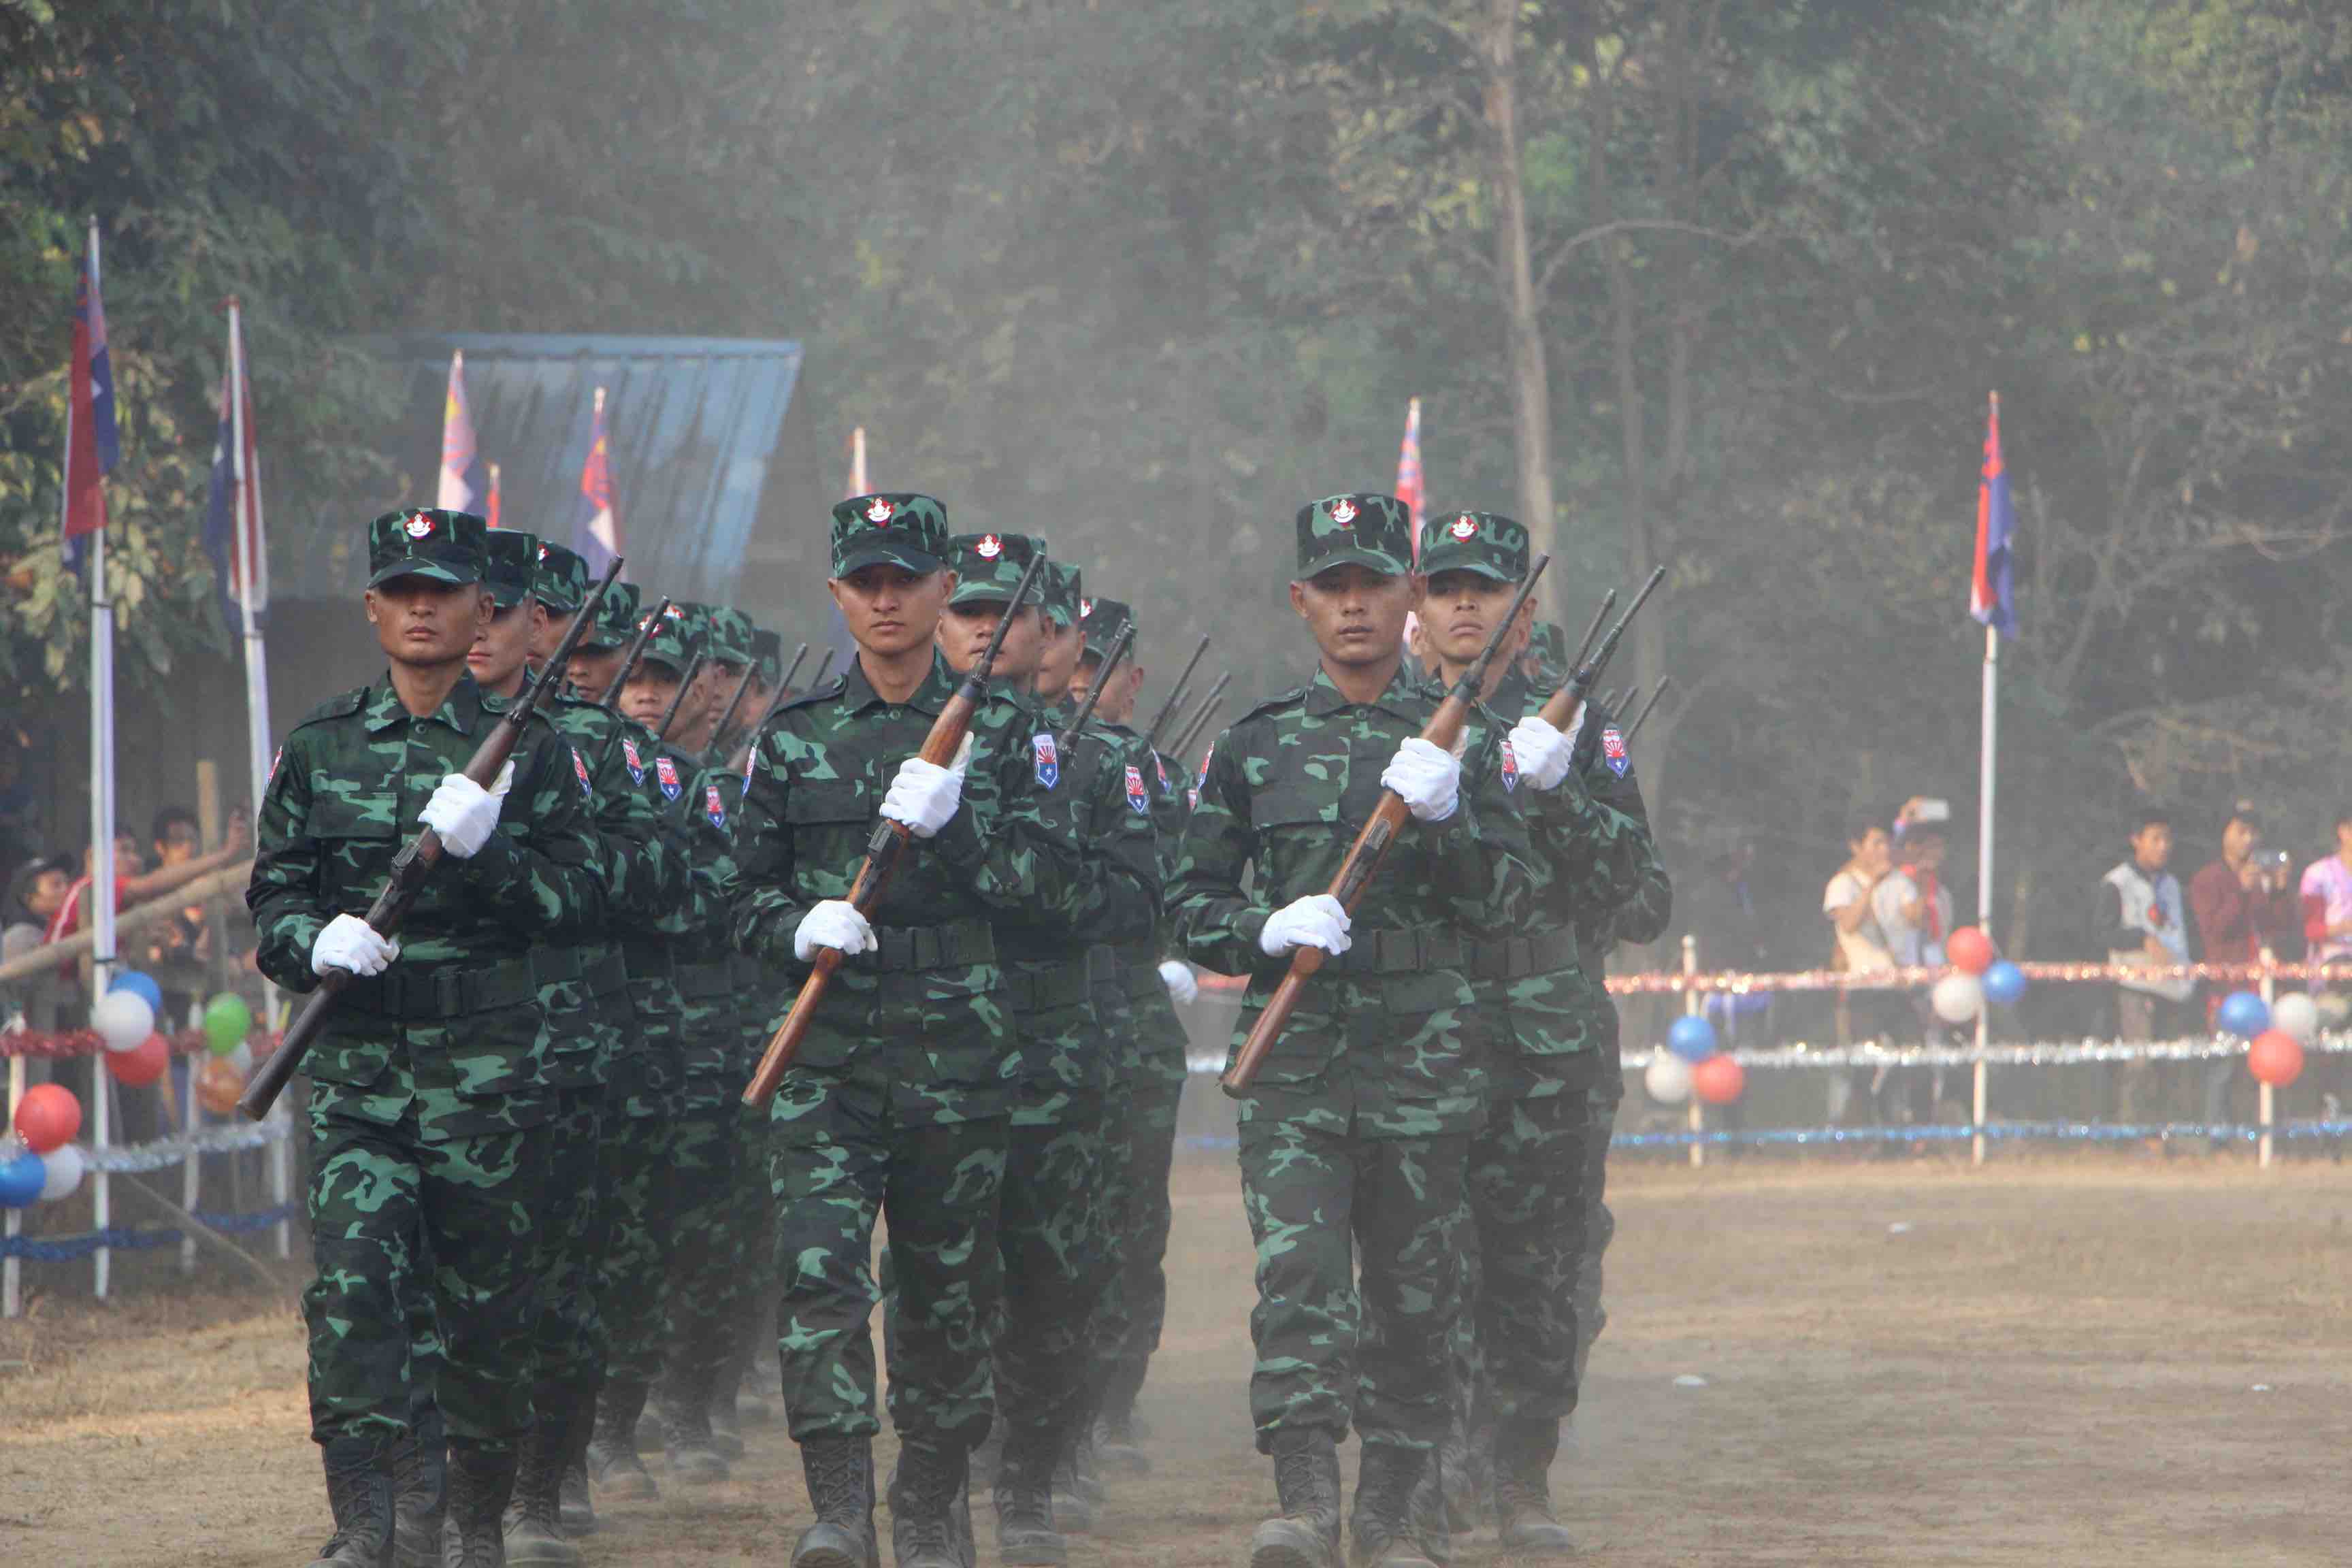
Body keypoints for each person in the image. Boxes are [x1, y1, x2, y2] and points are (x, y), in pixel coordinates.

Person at [724, 493, 1091, 1568]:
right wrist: (796, 926)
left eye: (906, 580)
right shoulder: (793, 738)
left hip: (958, 1055)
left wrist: (962, 828)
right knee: (820, 1276)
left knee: (946, 1291)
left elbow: (1061, 895)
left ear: (945, 591)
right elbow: (733, 900)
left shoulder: (1014, 735)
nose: (885, 600)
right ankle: (841, 1508)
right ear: (837, 595)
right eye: (865, 582)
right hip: (827, 1055)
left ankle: (931, 1500)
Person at [1167, 493, 1529, 1568]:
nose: (1356, 604)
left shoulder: (1468, 739)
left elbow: (1509, 903)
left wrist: (1453, 816)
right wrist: (1262, 927)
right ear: (1302, 601)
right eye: (1335, 586)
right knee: (1301, 1285)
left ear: (1408, 594)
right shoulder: (1254, 744)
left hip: (1425, 1058)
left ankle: (1393, 1514)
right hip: (1297, 1064)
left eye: (1375, 582)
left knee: (1417, 1298)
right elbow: (1187, 902)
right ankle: (1305, 1503)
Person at [246, 506, 603, 1568]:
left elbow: (581, 903)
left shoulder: (537, 752)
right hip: (359, 1072)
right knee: (354, 1290)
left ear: (480, 610)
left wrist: (492, 855)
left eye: (440, 592)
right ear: (372, 608)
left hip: (486, 1077)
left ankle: (476, 1518)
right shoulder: (320, 746)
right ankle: (368, 1519)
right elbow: (274, 899)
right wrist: (316, 942)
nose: (419, 610)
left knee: (484, 1311)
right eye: (400, 591)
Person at [1392, 510, 1655, 1558]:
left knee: (1537, 1274)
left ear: (1525, 606)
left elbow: (1645, 898)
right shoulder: (1386, 719)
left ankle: (1520, 1477)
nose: (1466, 605)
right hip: (1416, 1035)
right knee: (1417, 1268)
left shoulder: (1579, 732)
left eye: (1487, 588)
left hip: (1547, 1045)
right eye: (1446, 586)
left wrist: (1560, 797)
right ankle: (1424, 1472)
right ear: (1417, 603)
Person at [1068, 596, 1198, 1476]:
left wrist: (1181, 952)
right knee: (1056, 1221)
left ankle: (1115, 1399)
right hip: (1049, 1018)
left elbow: (1199, 885)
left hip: (1139, 1022)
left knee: (1133, 1222)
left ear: (1132, 678)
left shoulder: (1168, 780)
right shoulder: (1026, 764)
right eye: (1076, 662)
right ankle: (1054, 1408)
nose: (1085, 683)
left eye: (1101, 667)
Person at [2190, 803, 2298, 1134]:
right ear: (2224, 833)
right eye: (2240, 831)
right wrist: (2241, 889)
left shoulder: (2261, 876)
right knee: (2224, 1063)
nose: (2247, 840)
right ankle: (2216, 1136)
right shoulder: (2208, 879)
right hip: (2226, 985)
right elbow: (2215, 931)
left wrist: (2279, 890)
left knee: (2269, 1059)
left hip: (2262, 982)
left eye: (2253, 833)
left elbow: (2281, 927)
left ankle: (2267, 1134)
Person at [2097, 807, 2192, 1123]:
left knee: (2171, 1064)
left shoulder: (2172, 885)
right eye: (2155, 839)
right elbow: (2103, 933)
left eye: (2167, 839)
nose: (2163, 846)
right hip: (2135, 986)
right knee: (2139, 1063)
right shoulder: (2117, 883)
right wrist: (2141, 939)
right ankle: (2130, 1132)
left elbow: (2177, 933)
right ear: (2136, 840)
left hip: (2174, 987)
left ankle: (2164, 1131)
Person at [1822, 816, 1901, 1121]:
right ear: (1856, 847)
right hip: (1863, 988)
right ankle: (1855, 1132)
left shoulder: (1897, 882)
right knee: (1864, 1067)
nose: (1885, 850)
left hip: (1897, 984)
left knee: (1914, 1057)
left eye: (1887, 843)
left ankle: (1897, 1134)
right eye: (1877, 843)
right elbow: (1849, 924)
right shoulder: (1842, 884)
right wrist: (1872, 886)